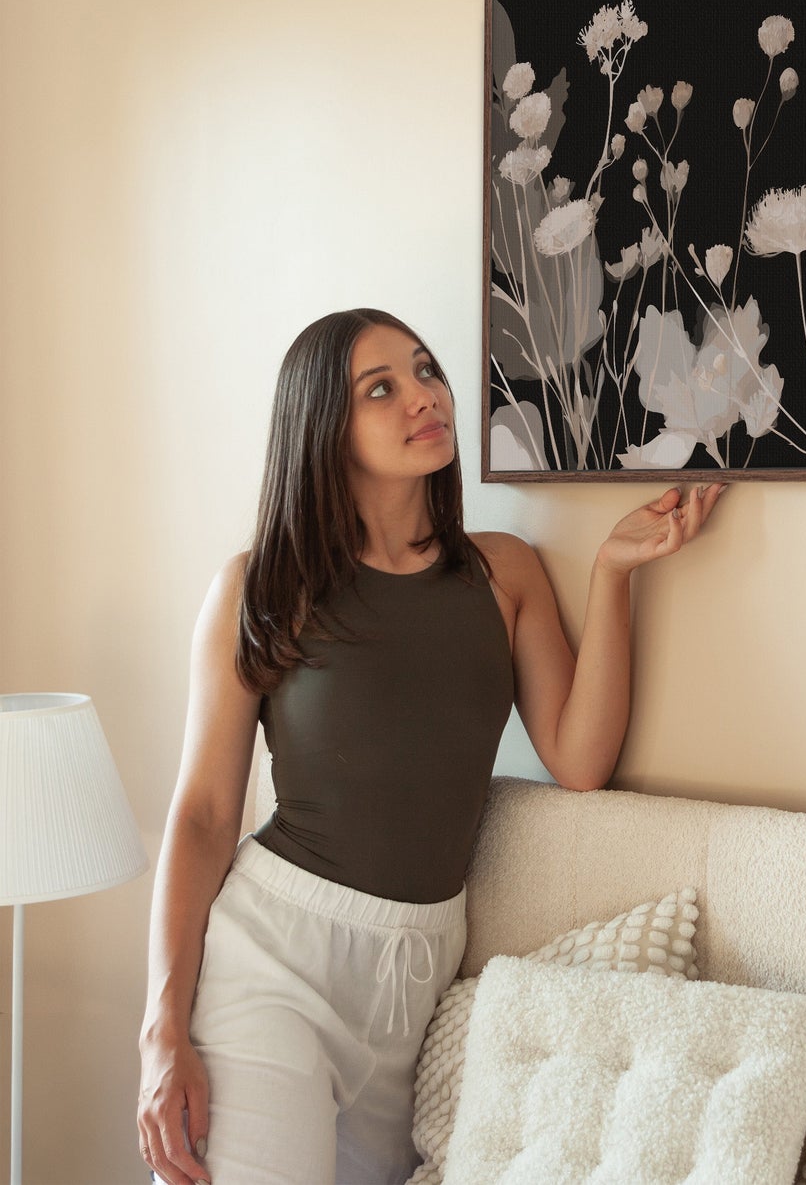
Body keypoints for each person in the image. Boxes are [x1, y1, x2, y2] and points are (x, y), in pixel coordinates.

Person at [136, 308, 727, 1185]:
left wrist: (611, 574)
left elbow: (579, 759)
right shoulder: (263, 586)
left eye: (424, 371)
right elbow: (204, 816)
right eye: (381, 388)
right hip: (273, 962)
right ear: (323, 429)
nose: (424, 396)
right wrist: (162, 1029)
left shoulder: (503, 572)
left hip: (418, 973)